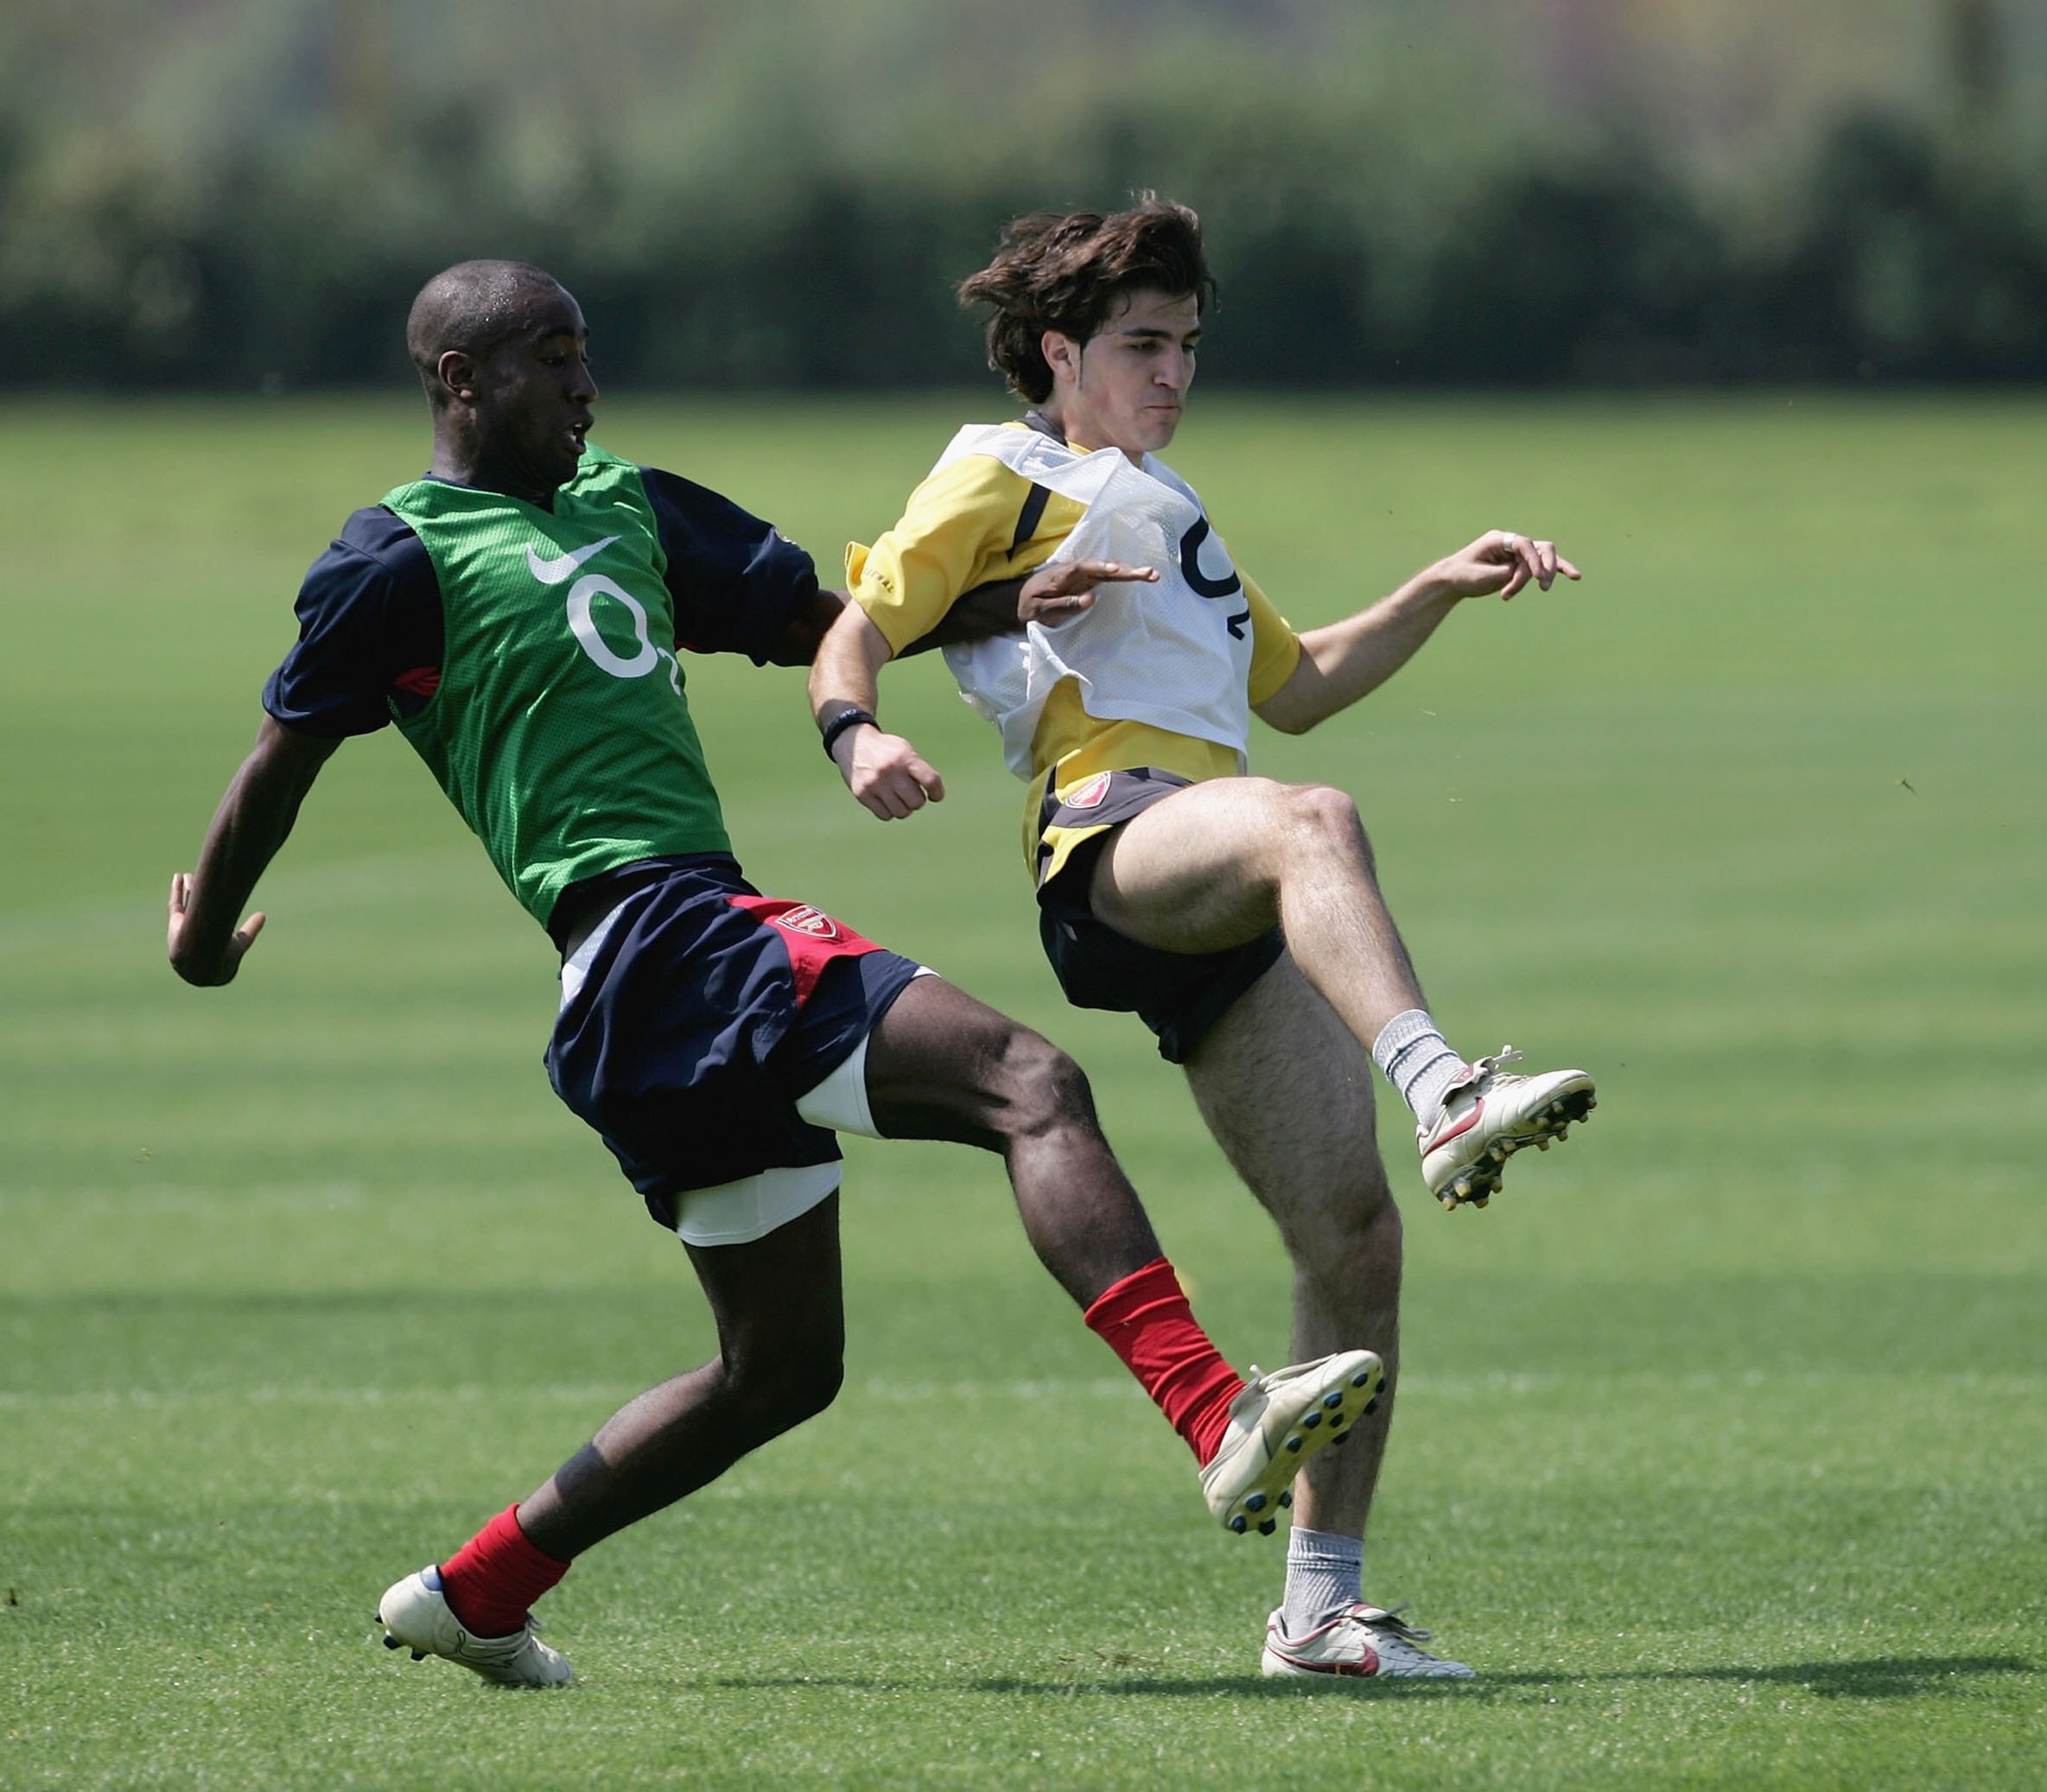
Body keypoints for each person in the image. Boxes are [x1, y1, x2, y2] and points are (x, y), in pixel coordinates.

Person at [166, 259, 1384, 1691]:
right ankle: (1210, 1411)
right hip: (660, 941)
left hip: (652, 979)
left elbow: (821, 617)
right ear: (458, 383)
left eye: (584, 355)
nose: (582, 384)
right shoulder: (397, 558)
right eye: (549, 361)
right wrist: (202, 935)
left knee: (781, 1368)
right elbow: (279, 761)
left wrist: (1001, 603)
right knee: (1028, 1081)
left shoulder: (628, 501)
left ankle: (476, 1588)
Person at [811, 199, 1595, 1681]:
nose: (1174, 373)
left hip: (1218, 881)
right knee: (1316, 821)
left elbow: (1297, 687)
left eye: (1187, 345)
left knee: (1354, 1242)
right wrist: (856, 735)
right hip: (1113, 840)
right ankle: (1446, 1087)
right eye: (1142, 346)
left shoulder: (1170, 506)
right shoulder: (1004, 468)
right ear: (1059, 351)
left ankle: (1319, 1611)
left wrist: (1436, 582)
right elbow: (856, 625)